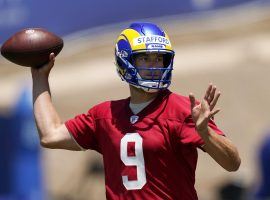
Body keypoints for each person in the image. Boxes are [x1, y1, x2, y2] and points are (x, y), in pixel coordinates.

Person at [31, 22, 241, 200]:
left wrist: (206, 133)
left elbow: (232, 164)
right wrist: (40, 78)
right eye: (145, 58)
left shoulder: (182, 109)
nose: (154, 66)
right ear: (126, 60)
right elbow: (51, 135)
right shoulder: (104, 115)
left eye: (159, 59)